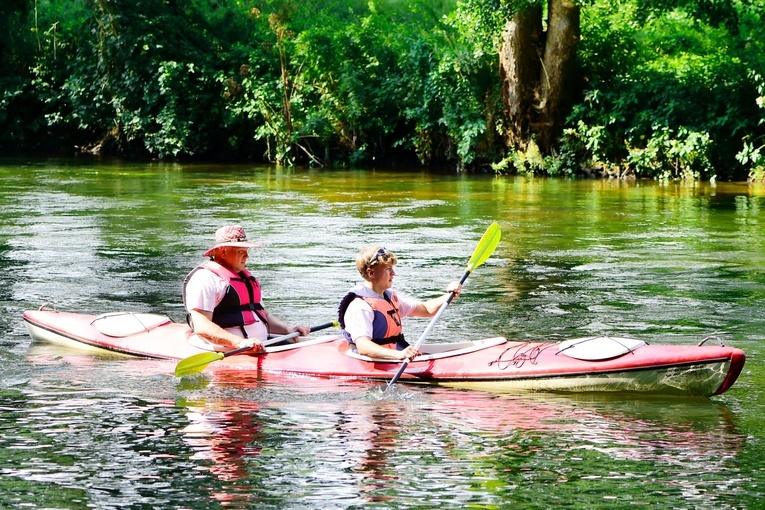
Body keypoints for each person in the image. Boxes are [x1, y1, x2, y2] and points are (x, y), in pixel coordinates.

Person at [182, 224, 310, 352]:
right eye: (240, 251)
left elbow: (261, 314)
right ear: (223, 252)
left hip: (260, 346)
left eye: (246, 251)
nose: (247, 256)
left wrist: (287, 329)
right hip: (231, 350)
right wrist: (239, 342)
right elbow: (202, 326)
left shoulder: (246, 277)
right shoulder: (205, 279)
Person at [338, 245, 462, 360]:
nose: (393, 273)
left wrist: (449, 295)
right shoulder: (360, 306)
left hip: (393, 355)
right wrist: (400, 354)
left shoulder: (388, 297)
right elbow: (364, 347)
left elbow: (426, 309)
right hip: (373, 362)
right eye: (387, 269)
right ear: (371, 273)